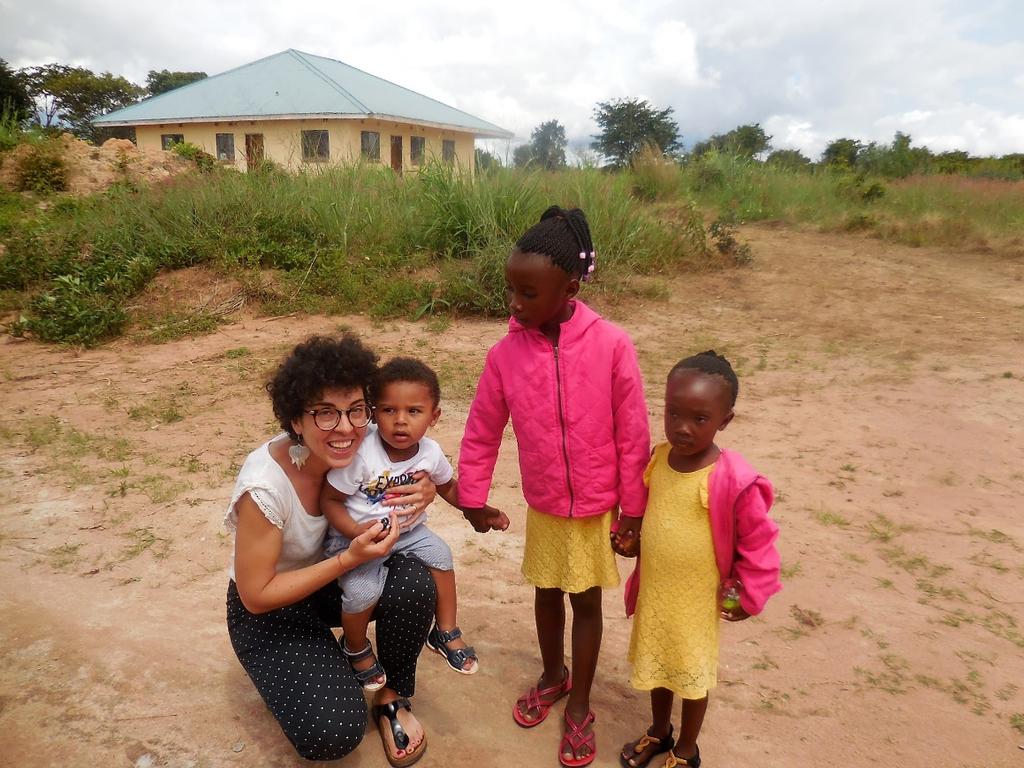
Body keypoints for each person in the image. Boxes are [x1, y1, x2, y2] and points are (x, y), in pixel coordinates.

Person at [458, 206, 651, 767]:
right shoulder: (505, 355)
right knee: (546, 591)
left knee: (586, 601)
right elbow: (483, 428)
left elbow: (633, 432)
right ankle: (553, 674)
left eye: (528, 292)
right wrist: (472, 496)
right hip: (545, 504)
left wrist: (632, 512)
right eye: (511, 290)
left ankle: (582, 705)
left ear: (569, 289)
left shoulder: (612, 345)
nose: (515, 304)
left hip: (595, 508)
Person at [225, 334, 442, 767]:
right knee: (333, 733)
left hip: (334, 585)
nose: (345, 428)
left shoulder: (370, 441)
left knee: (416, 578)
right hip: (271, 611)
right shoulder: (264, 486)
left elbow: (421, 461)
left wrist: (427, 488)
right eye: (324, 412)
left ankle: (393, 695)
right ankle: (322, 659)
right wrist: (349, 558)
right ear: (295, 420)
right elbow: (256, 594)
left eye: (356, 409)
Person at [616, 351, 782, 768]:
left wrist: (748, 593)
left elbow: (758, 542)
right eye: (673, 413)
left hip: (696, 599)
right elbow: (651, 515)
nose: (682, 428)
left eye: (700, 419)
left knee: (691, 672)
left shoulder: (731, 479)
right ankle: (659, 730)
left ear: (725, 419)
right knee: (657, 664)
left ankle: (686, 750)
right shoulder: (657, 459)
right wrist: (632, 541)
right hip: (657, 591)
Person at [321, 357, 491, 688]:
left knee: (441, 555)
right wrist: (356, 534)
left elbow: (446, 486)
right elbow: (330, 499)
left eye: (413, 411)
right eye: (388, 410)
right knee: (361, 592)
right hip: (358, 540)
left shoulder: (430, 452)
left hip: (408, 532)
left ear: (434, 416)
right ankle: (354, 646)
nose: (400, 421)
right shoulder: (362, 454)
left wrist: (479, 510)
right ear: (373, 412)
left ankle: (445, 631)